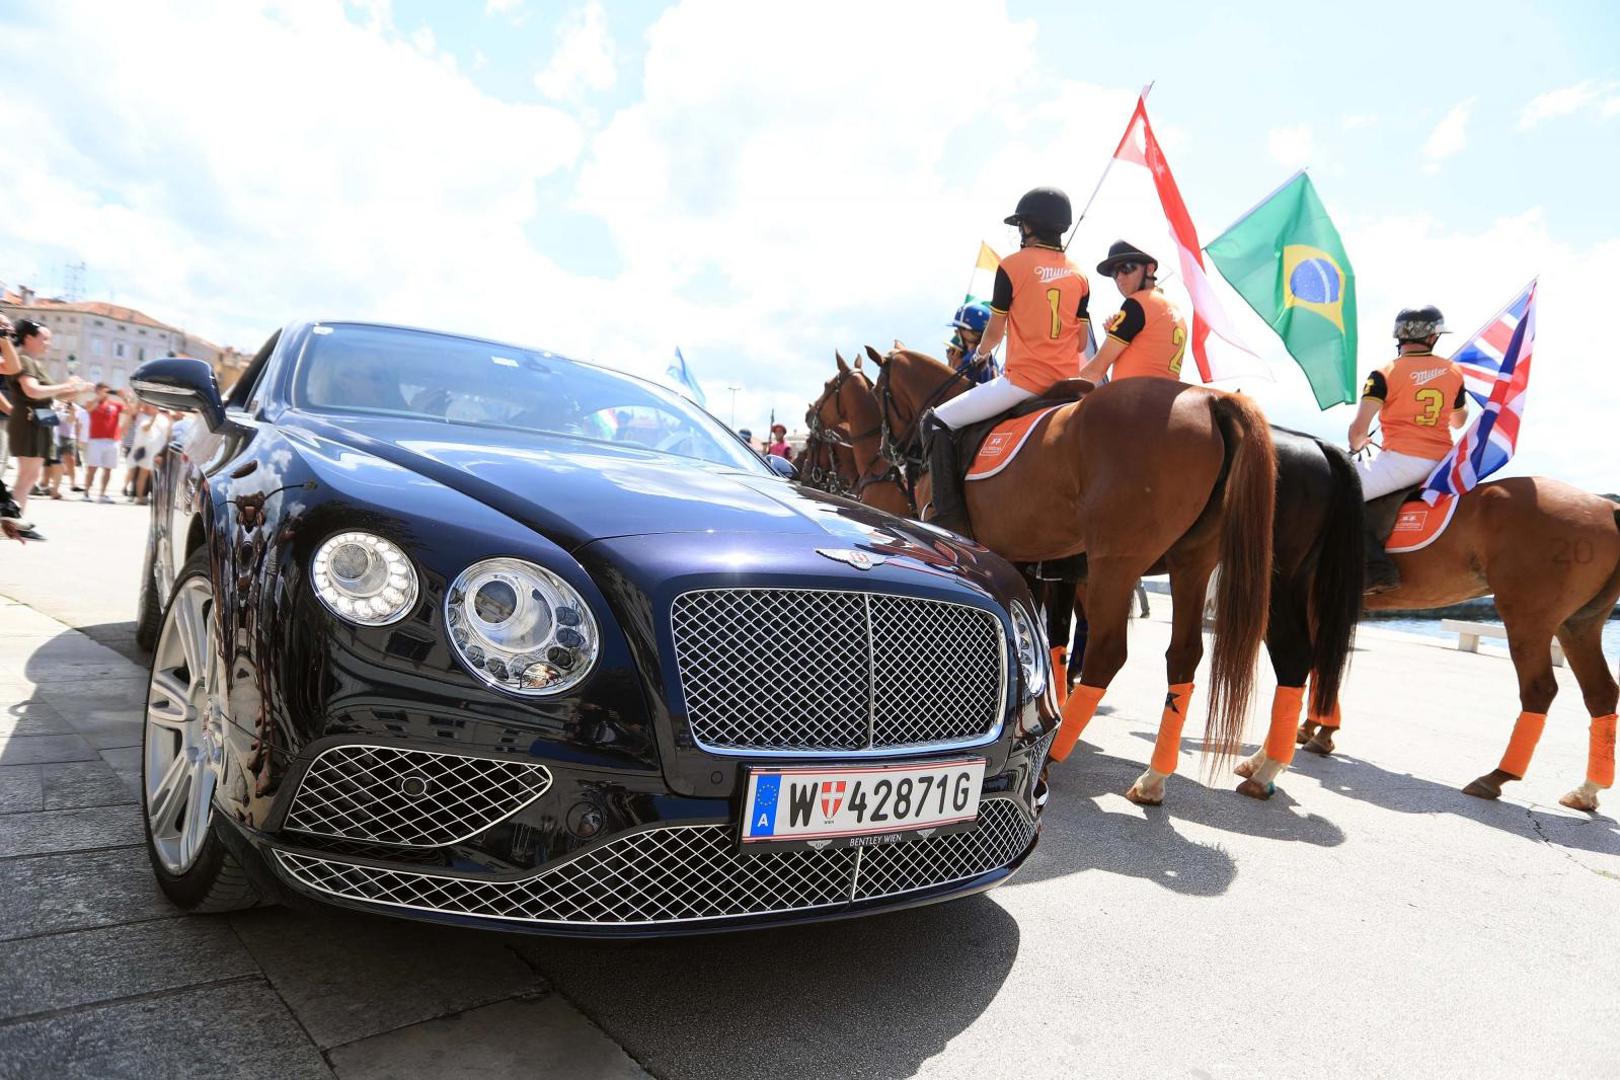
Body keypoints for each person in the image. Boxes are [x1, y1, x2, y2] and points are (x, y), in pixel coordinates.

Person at [920, 187, 1090, 535]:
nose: (1020, 234)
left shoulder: (1012, 266)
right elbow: (1083, 341)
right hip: (1069, 385)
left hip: (1023, 383)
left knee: (935, 421)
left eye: (1022, 226)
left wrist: (980, 354)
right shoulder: (1080, 275)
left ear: (1030, 226)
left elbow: (995, 333)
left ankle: (949, 517)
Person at [1346, 304, 1469, 591]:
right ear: (1432, 337)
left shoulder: (1383, 373)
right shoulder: (1453, 371)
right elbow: (1459, 420)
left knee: (1340, 494)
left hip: (1402, 461)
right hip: (1443, 463)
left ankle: (1375, 569)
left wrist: (1357, 443)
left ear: (1400, 337)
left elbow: (1358, 430)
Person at [3, 319, 89, 518]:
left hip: (37, 421)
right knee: (26, 476)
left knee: (30, 476)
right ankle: (12, 522)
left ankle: (15, 521)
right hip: (28, 420)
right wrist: (66, 386)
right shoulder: (24, 361)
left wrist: (76, 389)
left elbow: (54, 395)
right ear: (29, 338)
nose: (48, 343)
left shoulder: (34, 363)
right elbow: (32, 390)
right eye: (45, 338)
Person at [1079, 240, 1189, 384]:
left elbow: (1095, 371)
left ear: (1150, 269)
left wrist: (1062, 390)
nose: (1119, 277)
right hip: (1167, 397)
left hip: (1133, 399)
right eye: (1114, 272)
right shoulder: (1175, 310)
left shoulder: (1137, 304)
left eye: (1126, 268)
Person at [82, 383, 128, 502]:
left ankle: (102, 494)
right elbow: (88, 409)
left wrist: (124, 398)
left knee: (108, 469)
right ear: (97, 391)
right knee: (92, 468)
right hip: (96, 440)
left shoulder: (116, 405)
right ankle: (86, 493)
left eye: (107, 391)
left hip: (112, 441)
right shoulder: (91, 402)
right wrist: (98, 397)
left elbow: (131, 412)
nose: (106, 393)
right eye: (102, 391)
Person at [127, 403, 172, 505]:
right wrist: (153, 418)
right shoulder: (143, 417)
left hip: (159, 451)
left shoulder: (163, 418)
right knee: (143, 473)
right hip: (147, 450)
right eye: (153, 406)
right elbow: (145, 428)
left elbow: (168, 433)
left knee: (157, 475)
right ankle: (139, 497)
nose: (156, 408)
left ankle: (156, 498)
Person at [944, 302, 996, 384]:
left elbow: (951, 392)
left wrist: (953, 368)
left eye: (960, 328)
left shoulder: (970, 361)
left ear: (972, 332)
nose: (956, 332)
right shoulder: (990, 358)